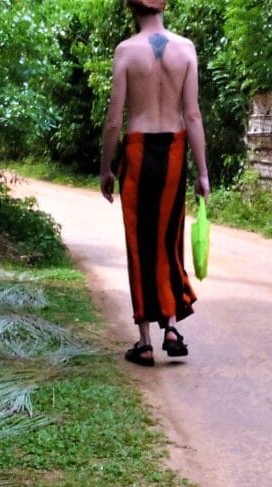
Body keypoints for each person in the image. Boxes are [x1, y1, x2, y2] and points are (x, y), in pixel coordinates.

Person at [100, 0, 210, 366]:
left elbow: (114, 119)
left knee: (139, 242)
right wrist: (204, 173)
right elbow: (192, 114)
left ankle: (145, 340)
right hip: (175, 152)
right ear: (164, 6)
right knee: (168, 239)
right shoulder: (186, 49)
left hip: (138, 149)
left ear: (132, 8)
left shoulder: (127, 51)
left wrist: (106, 168)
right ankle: (172, 327)